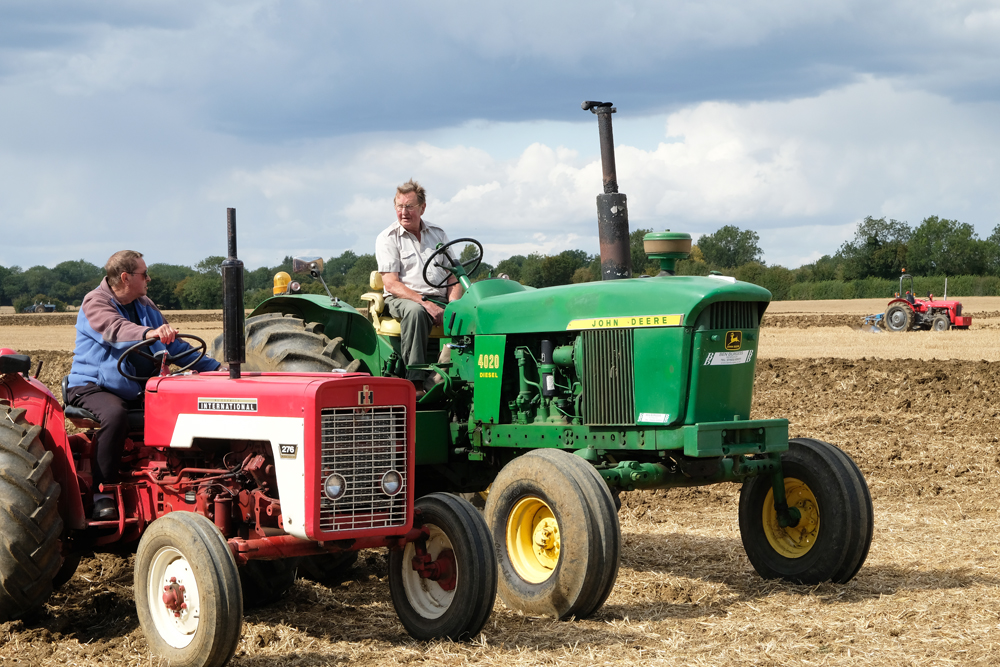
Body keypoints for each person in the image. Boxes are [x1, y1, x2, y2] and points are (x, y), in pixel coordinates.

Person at [67, 250, 224, 520]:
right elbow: (116, 330)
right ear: (125, 277)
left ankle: (188, 479)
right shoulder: (95, 302)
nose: (149, 279)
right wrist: (149, 333)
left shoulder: (145, 305)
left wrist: (217, 369)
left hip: (136, 387)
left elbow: (174, 347)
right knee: (115, 415)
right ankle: (102, 492)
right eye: (144, 274)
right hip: (94, 386)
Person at [375, 179, 463, 394]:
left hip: (438, 297)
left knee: (469, 313)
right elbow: (391, 284)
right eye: (399, 206)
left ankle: (456, 375)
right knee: (416, 312)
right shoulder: (388, 238)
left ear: (422, 208)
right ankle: (415, 383)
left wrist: (453, 305)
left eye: (409, 206)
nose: (403, 212)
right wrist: (425, 303)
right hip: (403, 299)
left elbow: (453, 275)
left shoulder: (437, 234)